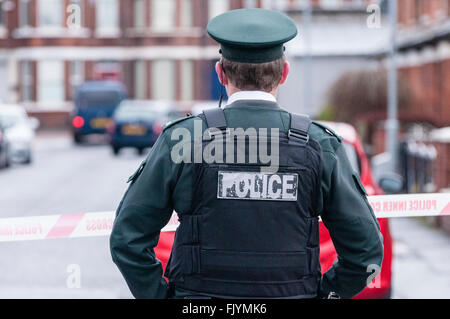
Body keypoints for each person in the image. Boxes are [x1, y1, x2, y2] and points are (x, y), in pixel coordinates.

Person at [110, 8, 383, 299]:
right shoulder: (319, 144)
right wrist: (328, 295)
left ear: (220, 73)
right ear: (285, 73)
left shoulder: (183, 139)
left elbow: (127, 239)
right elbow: (366, 252)